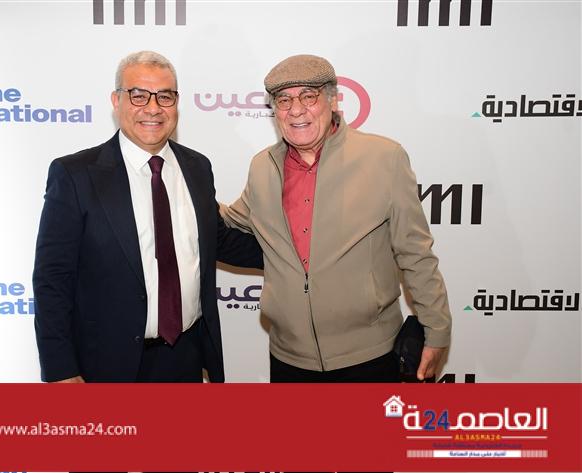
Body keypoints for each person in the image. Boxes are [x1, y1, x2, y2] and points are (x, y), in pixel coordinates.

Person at [33, 50, 262, 383]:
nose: (153, 108)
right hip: (106, 366)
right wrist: (61, 371)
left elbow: (217, 239)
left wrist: (300, 254)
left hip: (186, 357)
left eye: (165, 96)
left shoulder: (197, 167)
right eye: (139, 95)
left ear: (176, 103)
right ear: (117, 101)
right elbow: (52, 279)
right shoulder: (75, 175)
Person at [221, 54, 452, 383]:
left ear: (332, 100)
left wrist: (437, 330)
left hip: (371, 356)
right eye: (284, 100)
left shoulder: (383, 158)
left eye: (308, 96)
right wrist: (182, 190)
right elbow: (231, 219)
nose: (296, 110)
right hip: (288, 358)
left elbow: (415, 252)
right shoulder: (262, 167)